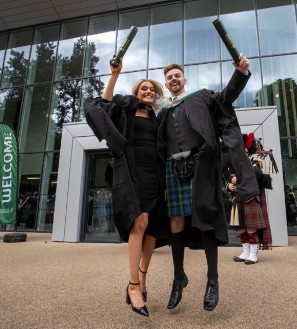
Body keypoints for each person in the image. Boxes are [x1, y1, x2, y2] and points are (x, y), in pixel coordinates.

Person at [157, 54, 259, 311]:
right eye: (169, 78)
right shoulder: (164, 112)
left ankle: (212, 281)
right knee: (176, 222)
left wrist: (240, 73)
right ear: (167, 84)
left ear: (184, 79)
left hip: (200, 165)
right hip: (173, 167)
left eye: (177, 76)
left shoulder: (201, 97)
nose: (173, 80)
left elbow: (226, 98)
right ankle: (178, 277)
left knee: (205, 220)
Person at [84, 56, 168, 317]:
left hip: (156, 174)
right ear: (136, 92)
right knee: (139, 222)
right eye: (144, 88)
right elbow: (104, 104)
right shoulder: (126, 109)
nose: (148, 91)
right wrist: (114, 75)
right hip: (132, 171)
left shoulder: (157, 116)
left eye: (151, 90)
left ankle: (143, 277)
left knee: (152, 226)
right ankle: (133, 285)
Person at [227, 133, 273, 264]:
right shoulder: (236, 164)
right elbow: (231, 179)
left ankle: (253, 254)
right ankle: (245, 252)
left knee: (251, 228)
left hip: (250, 198)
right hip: (238, 199)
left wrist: (238, 180)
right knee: (242, 228)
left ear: (247, 148)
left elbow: (256, 176)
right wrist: (229, 185)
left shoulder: (254, 162)